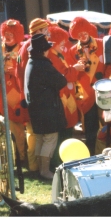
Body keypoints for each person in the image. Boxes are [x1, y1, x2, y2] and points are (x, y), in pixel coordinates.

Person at [24, 34, 67, 179]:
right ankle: (45, 171)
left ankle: (39, 169)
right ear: (43, 50)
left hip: (36, 109)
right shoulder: (43, 64)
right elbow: (61, 81)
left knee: (41, 139)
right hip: (47, 109)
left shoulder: (31, 62)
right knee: (49, 138)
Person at [68, 17, 111, 155]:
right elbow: (70, 71)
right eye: (79, 34)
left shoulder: (101, 44)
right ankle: (92, 153)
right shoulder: (72, 51)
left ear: (88, 30)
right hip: (85, 94)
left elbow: (110, 64)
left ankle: (110, 153)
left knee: (107, 122)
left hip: (103, 90)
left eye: (84, 32)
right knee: (90, 126)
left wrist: (105, 80)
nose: (82, 35)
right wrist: (76, 69)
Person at [47, 25, 85, 169]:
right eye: (61, 41)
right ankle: (61, 161)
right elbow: (62, 75)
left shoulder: (57, 54)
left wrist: (73, 68)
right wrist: (75, 69)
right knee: (64, 130)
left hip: (66, 96)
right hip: (62, 97)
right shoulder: (52, 56)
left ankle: (63, 160)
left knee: (66, 128)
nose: (64, 43)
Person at [17, 18, 50, 171]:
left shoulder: (27, 46)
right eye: (45, 30)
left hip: (29, 95)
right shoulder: (29, 47)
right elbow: (25, 75)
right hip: (31, 97)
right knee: (33, 134)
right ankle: (33, 166)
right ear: (38, 32)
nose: (48, 32)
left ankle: (35, 165)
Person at [0, 19, 27, 164]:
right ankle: (7, 159)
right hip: (2, 93)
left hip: (17, 93)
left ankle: (21, 158)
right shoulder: (0, 48)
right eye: (6, 33)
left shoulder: (23, 49)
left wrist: (14, 71)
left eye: (11, 34)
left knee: (18, 129)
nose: (8, 36)